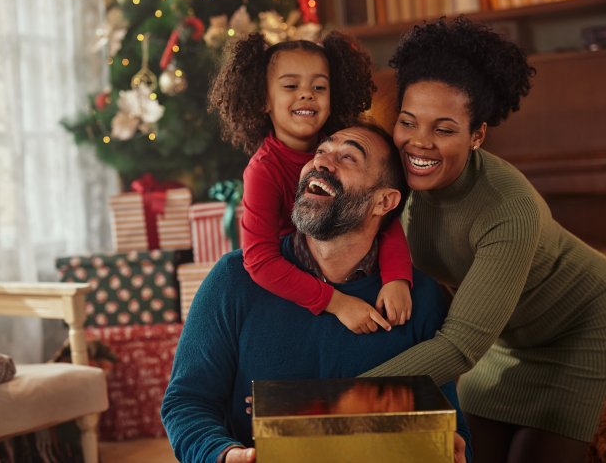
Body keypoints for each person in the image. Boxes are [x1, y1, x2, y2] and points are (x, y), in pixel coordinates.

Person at [360, 17, 606, 463]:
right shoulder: (396, 179)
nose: (420, 143)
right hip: (500, 340)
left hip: (582, 331)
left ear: (477, 136)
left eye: (444, 129)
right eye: (409, 122)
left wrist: (344, 393)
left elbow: (459, 346)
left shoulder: (509, 208)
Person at [161, 122, 471, 463]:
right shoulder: (232, 280)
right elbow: (187, 402)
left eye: (349, 157)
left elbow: (450, 425)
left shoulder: (419, 297)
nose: (321, 162)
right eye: (321, 151)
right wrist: (223, 454)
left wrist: (452, 449)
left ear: (383, 201)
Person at [208, 32, 413, 334]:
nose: (307, 94)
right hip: (296, 283)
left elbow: (382, 214)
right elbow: (260, 260)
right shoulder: (262, 170)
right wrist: (337, 303)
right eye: (291, 86)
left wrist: (397, 277)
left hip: (347, 269)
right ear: (263, 99)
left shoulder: (346, 144)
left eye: (319, 86)